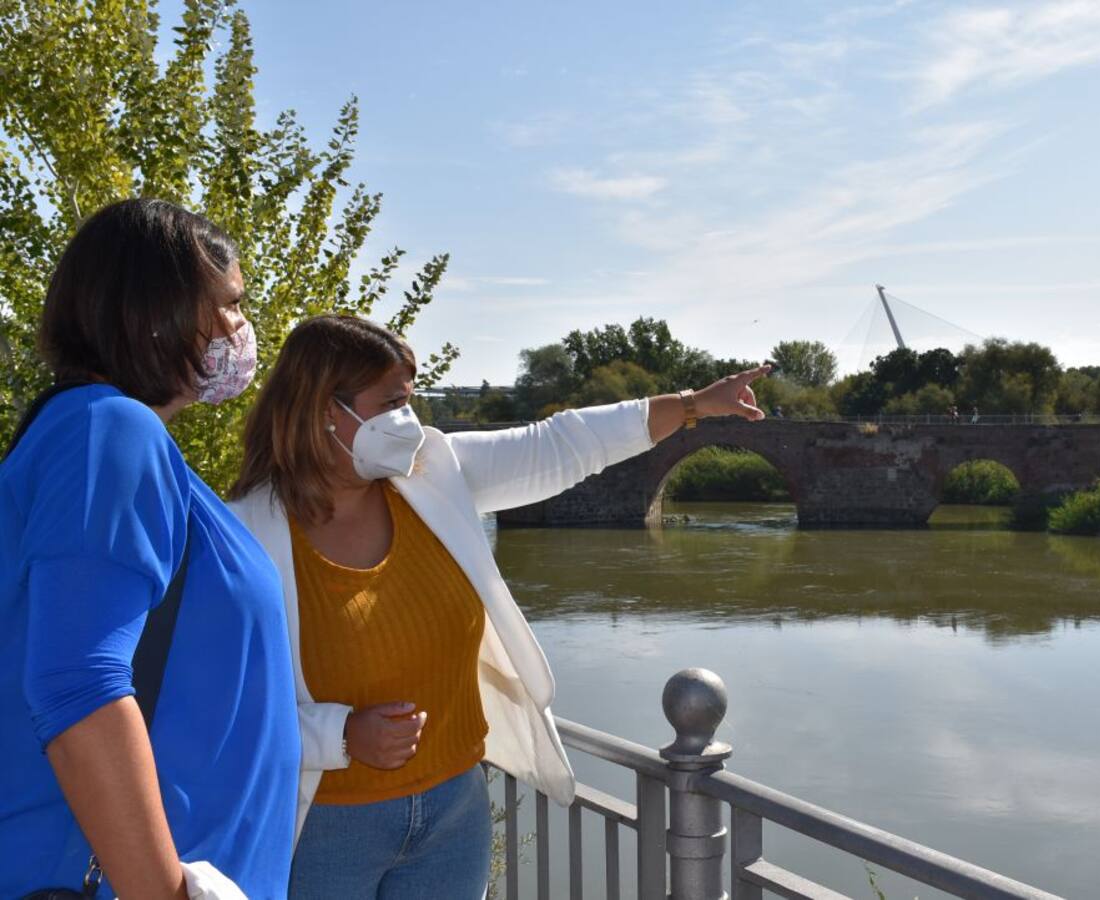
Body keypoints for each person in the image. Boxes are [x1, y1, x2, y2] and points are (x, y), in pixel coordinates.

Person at [228, 315, 768, 899]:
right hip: (324, 826)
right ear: (324, 411)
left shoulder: (433, 473)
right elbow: (222, 709)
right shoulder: (245, 533)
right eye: (391, 404)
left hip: (453, 813)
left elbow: (562, 444)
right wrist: (340, 736)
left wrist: (693, 406)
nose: (408, 422)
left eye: (410, 401)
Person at [0, 199, 300, 898]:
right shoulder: (108, 431)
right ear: (157, 309)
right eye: (229, 304)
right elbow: (78, 688)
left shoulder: (103, 434)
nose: (242, 328)